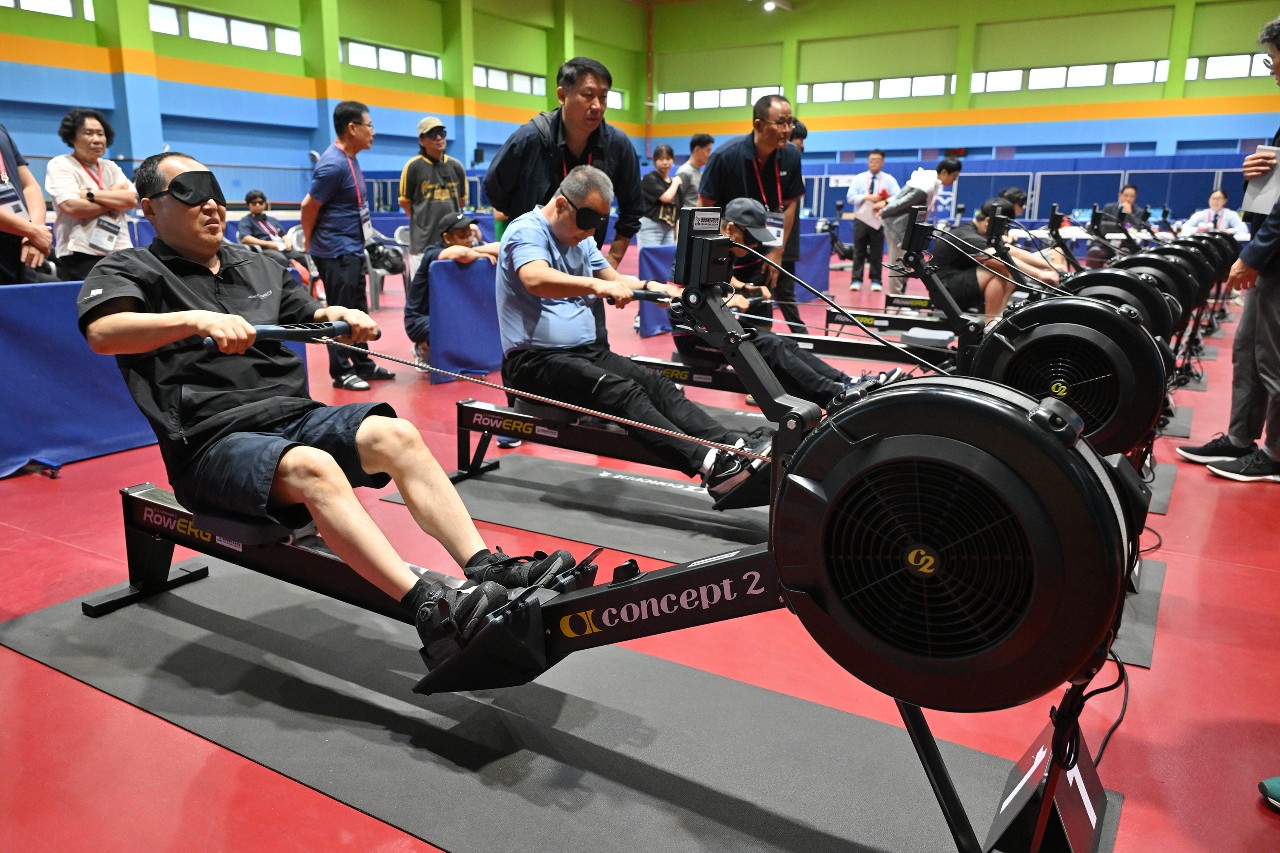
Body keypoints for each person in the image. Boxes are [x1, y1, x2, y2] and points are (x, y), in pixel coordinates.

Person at [76, 152, 575, 670]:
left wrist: (336, 314)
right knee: (314, 467)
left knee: (395, 435)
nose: (209, 205)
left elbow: (308, 313)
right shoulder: (130, 268)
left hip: (291, 416)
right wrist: (193, 319)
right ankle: (427, 605)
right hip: (210, 443)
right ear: (151, 208)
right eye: (188, 193)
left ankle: (485, 566)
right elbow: (102, 333)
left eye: (213, 191)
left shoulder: (259, 263)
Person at [497, 165, 770, 499]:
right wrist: (595, 286)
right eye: (586, 220)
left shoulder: (580, 239)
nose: (590, 231)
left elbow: (613, 277)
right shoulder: (527, 230)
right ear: (562, 204)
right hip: (533, 361)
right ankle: (714, 467)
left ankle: (734, 446)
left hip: (585, 352)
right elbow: (535, 279)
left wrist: (656, 288)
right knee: (621, 392)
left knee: (657, 384)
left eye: (598, 223)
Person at [1176, 16, 1280, 493]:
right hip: (1269, 256)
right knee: (1248, 351)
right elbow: (1271, 191)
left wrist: (1254, 253)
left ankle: (1274, 454)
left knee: (1274, 359)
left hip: (1273, 256)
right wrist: (1251, 174)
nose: (1271, 68)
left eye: (1271, 58)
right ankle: (1241, 439)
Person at [484, 56, 643, 345]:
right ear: (562, 95)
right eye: (588, 95)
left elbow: (633, 210)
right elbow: (496, 190)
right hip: (533, 272)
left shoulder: (618, 145)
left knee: (594, 349)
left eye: (603, 97)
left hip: (586, 266)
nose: (597, 105)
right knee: (536, 357)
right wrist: (533, 233)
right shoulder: (529, 138)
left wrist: (611, 261)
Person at [669, 198, 858, 409]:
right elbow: (675, 292)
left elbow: (722, 280)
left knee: (783, 342)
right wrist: (721, 300)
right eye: (750, 238)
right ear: (731, 228)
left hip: (718, 327)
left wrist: (745, 287)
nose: (755, 244)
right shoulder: (695, 253)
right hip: (695, 338)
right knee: (770, 346)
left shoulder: (722, 248)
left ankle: (845, 381)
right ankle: (835, 395)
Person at [301, 100, 396, 392]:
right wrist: (309, 241)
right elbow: (309, 206)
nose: (373, 132)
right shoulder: (332, 164)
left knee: (358, 310)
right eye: (369, 126)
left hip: (352, 248)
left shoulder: (350, 158)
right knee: (340, 312)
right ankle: (341, 371)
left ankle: (363, 363)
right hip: (334, 250)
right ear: (352, 128)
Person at [699, 94, 806, 333]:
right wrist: (718, 250)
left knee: (760, 328)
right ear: (758, 125)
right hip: (726, 250)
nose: (787, 129)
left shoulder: (791, 155)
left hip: (763, 251)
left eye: (790, 122)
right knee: (723, 327)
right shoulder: (725, 156)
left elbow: (788, 205)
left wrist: (777, 250)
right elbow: (704, 207)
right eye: (780, 122)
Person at [44, 108, 137, 281]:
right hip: (80, 252)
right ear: (72, 137)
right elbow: (71, 206)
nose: (96, 139)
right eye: (88, 133)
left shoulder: (110, 166)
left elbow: (131, 199)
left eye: (100, 134)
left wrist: (89, 194)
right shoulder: (61, 164)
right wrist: (115, 197)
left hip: (121, 249)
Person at [404, 212, 498, 370]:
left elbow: (500, 246)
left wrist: (477, 250)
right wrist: (479, 253)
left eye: (470, 235)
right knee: (446, 330)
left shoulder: (473, 248)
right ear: (447, 238)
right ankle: (422, 349)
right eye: (463, 236)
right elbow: (460, 253)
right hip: (419, 319)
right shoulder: (431, 253)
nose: (469, 240)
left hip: (449, 314)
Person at [927, 197, 1045, 317]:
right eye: (1003, 227)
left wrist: (1049, 267)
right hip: (945, 294)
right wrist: (1041, 275)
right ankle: (990, 324)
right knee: (1000, 270)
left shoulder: (981, 233)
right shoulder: (968, 235)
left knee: (1007, 271)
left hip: (958, 285)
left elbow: (1013, 252)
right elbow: (1002, 261)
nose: (1004, 233)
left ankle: (1000, 318)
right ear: (988, 221)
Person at [878, 157, 962, 295]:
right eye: (954, 176)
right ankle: (895, 301)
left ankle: (899, 301)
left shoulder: (932, 182)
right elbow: (902, 201)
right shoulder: (926, 185)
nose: (954, 181)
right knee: (898, 264)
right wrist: (883, 211)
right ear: (945, 172)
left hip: (907, 229)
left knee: (906, 263)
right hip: (897, 227)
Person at [398, 116, 467, 279]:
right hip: (423, 244)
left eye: (441, 133)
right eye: (432, 134)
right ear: (421, 140)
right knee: (422, 293)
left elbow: (461, 200)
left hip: (453, 244)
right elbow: (405, 202)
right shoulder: (413, 167)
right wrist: (423, 221)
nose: (438, 138)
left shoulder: (456, 166)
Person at [0, 121, 54, 284]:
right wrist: (31, 231)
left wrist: (34, 232)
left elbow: (29, 185)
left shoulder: (2, 130)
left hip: (21, 252)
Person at [844, 149, 900, 292]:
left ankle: (876, 280)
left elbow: (898, 197)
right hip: (861, 219)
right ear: (868, 162)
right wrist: (866, 197)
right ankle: (856, 280)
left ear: (882, 162)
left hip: (879, 220)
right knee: (859, 251)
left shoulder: (889, 180)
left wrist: (884, 201)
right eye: (871, 160)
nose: (874, 163)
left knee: (877, 251)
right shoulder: (859, 178)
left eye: (877, 160)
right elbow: (850, 197)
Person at [236, 189, 311, 276]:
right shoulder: (246, 221)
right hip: (265, 249)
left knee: (304, 258)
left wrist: (287, 242)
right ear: (248, 205)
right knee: (282, 260)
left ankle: (314, 281)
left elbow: (283, 234)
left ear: (264, 203)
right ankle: (290, 285)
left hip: (282, 247)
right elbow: (245, 238)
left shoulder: (272, 220)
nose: (258, 205)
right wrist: (268, 244)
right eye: (254, 203)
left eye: (260, 202)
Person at [638, 144, 682, 246]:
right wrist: (675, 183)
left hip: (669, 229)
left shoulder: (675, 184)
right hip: (650, 227)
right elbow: (666, 198)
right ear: (655, 161)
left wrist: (677, 236)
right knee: (650, 259)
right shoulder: (649, 178)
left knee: (667, 260)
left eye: (668, 158)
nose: (665, 162)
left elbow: (679, 211)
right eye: (661, 159)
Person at [1179, 189, 1249, 239]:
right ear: (1209, 200)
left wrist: (1226, 231)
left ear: (1225, 200)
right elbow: (1184, 228)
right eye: (1213, 198)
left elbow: (1244, 230)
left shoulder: (1231, 214)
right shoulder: (1201, 214)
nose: (1215, 201)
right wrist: (1198, 230)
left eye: (1218, 199)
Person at [675, 133, 714, 205]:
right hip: (688, 215)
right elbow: (676, 200)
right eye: (708, 151)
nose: (709, 155)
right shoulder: (684, 172)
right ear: (697, 150)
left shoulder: (700, 172)